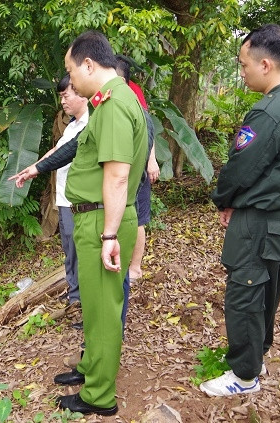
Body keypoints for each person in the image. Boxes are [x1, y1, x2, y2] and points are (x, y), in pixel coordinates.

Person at [11, 30, 148, 416]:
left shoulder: (118, 104)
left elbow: (118, 176)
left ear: (89, 65)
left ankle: (99, 398)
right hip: (91, 218)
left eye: (72, 72)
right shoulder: (106, 103)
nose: (70, 80)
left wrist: (108, 235)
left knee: (105, 312)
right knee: (93, 303)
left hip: (104, 221)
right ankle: (91, 368)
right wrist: (37, 168)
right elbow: (78, 146)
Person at [200, 24, 280, 397]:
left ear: (265, 64)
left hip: (260, 221)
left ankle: (244, 375)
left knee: (245, 293)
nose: (241, 73)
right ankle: (256, 357)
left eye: (243, 65)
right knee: (266, 291)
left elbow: (242, 168)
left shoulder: (271, 111)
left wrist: (224, 199)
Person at [114, 55, 159, 330]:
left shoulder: (132, 93)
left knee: (139, 217)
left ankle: (136, 266)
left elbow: (147, 126)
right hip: (121, 169)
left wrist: (151, 160)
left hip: (137, 168)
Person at [41, 74, 89, 305]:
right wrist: (33, 168)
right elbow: (57, 152)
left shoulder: (90, 124)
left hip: (77, 200)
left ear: (80, 93)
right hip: (63, 199)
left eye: (65, 95)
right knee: (69, 250)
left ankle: (80, 298)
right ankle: (75, 295)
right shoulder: (71, 126)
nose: (62, 102)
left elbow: (66, 154)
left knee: (78, 251)